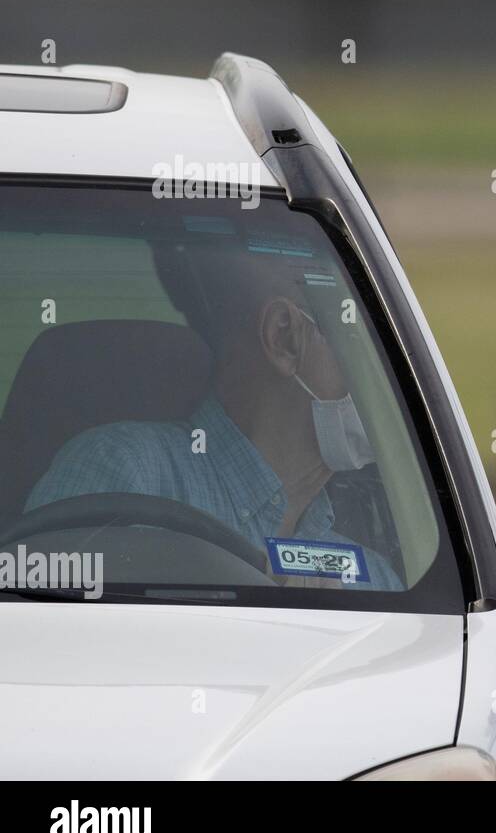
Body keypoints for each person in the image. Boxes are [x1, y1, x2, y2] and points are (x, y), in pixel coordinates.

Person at [25, 244, 402, 590]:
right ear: (284, 338)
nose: (390, 378)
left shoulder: (372, 577)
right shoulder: (123, 474)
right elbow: (46, 644)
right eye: (365, 342)